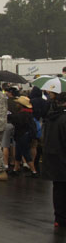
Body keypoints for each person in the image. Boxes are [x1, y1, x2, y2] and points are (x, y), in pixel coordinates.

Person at [41, 92, 66, 229]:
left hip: (53, 157)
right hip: (63, 157)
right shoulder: (64, 119)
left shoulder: (51, 118)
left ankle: (59, 218)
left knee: (58, 189)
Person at [8, 95, 38, 177]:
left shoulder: (22, 115)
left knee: (25, 153)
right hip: (24, 135)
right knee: (18, 152)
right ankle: (15, 169)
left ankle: (34, 171)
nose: (16, 104)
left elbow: (15, 121)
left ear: (21, 105)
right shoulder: (28, 113)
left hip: (22, 136)